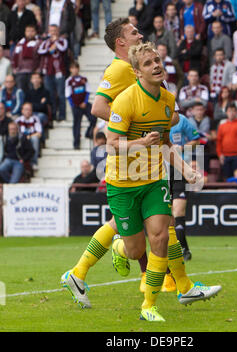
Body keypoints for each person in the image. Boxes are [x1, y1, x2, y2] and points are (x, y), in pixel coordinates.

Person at [61, 18, 178, 308]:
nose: (140, 34)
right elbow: (99, 107)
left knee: (151, 223)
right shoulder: (120, 68)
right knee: (153, 226)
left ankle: (82, 272)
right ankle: (171, 281)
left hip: (143, 157)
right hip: (129, 159)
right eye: (133, 32)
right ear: (121, 43)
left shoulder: (139, 67)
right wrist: (127, 123)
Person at [106, 42, 221, 322]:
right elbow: (110, 145)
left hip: (154, 178)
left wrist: (186, 171)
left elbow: (167, 145)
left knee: (160, 235)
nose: (156, 65)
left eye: (157, 60)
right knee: (136, 250)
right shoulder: (125, 100)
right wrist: (141, 142)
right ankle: (119, 247)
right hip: (122, 183)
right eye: (148, 63)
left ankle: (149, 305)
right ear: (136, 72)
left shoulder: (168, 101)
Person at [169, 113, 200, 261]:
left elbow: (196, 140)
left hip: (179, 169)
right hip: (160, 170)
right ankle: (171, 249)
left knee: (178, 210)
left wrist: (182, 148)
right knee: (165, 213)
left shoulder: (181, 120)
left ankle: (183, 249)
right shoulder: (153, 117)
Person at [38, 24, 68, 122]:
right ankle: (53, 114)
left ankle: (62, 114)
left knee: (60, 94)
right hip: (48, 72)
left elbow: (63, 49)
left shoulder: (62, 41)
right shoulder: (45, 42)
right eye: (51, 31)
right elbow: (40, 51)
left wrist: (56, 42)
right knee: (50, 95)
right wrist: (49, 49)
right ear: (48, 32)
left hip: (59, 72)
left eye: (55, 30)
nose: (53, 33)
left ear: (58, 31)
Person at [65, 61, 97, 149]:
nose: (75, 70)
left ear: (78, 69)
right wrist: (73, 105)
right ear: (70, 70)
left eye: (76, 68)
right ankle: (76, 144)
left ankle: (88, 133)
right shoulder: (69, 81)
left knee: (93, 117)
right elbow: (68, 95)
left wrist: (85, 102)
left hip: (84, 104)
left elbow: (87, 91)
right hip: (76, 106)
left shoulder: (84, 79)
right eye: (73, 68)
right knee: (77, 124)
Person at [216, 103, 237, 179]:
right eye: (229, 111)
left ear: (236, 112)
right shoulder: (222, 126)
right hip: (225, 156)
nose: (231, 113)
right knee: (227, 177)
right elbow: (219, 141)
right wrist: (220, 154)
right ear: (226, 112)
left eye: (233, 111)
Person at [12, 24, 41, 92]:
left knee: (33, 91)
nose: (30, 33)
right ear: (25, 32)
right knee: (21, 92)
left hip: (33, 72)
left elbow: (41, 58)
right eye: (28, 31)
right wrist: (14, 67)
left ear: (35, 32)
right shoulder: (20, 43)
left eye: (32, 31)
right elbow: (14, 56)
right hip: (20, 72)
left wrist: (38, 68)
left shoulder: (38, 43)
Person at [15, 102, 42, 170]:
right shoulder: (18, 120)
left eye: (29, 109)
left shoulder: (35, 119)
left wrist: (29, 137)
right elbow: (16, 133)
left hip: (31, 138)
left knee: (35, 139)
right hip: (21, 140)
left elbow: (39, 133)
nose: (27, 111)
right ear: (22, 111)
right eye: (26, 109)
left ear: (31, 111)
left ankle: (34, 163)